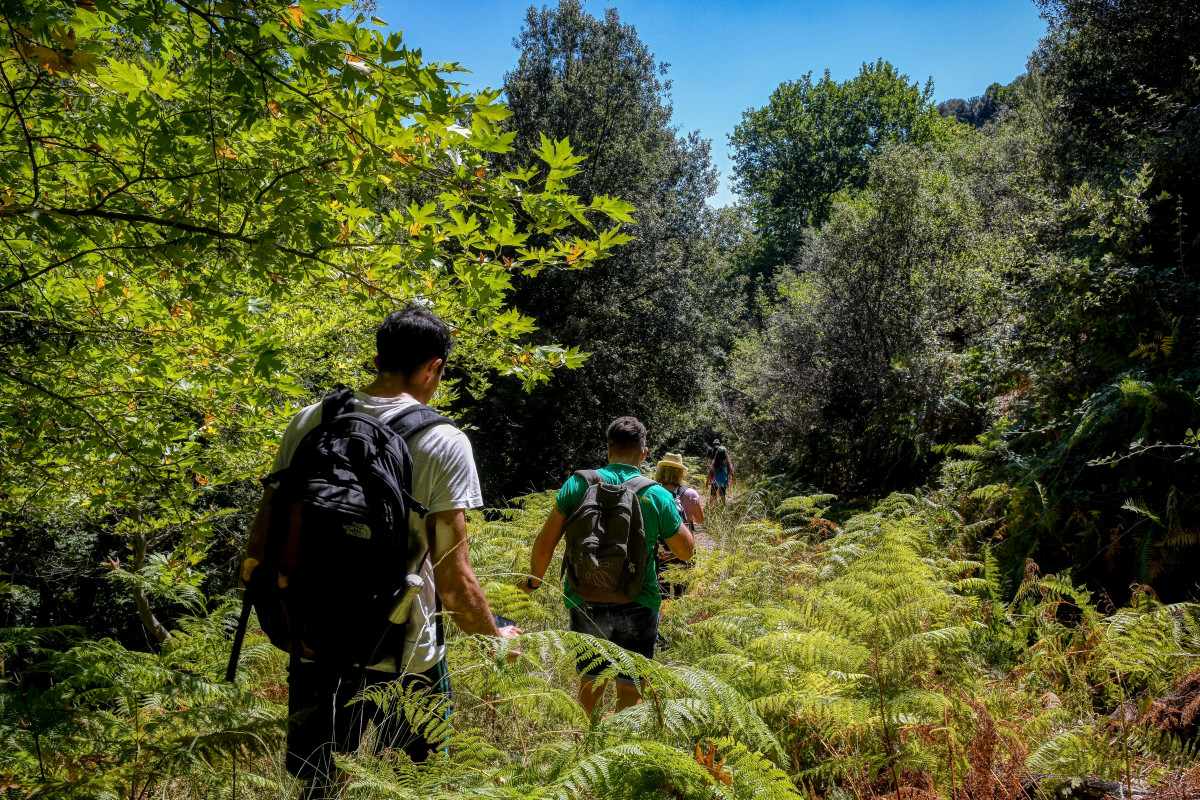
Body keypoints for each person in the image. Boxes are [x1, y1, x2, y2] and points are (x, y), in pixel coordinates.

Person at [243, 304, 519, 798]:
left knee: (319, 785)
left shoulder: (310, 421)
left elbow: (260, 542)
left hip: (314, 639)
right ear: (434, 367)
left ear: (377, 358)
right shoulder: (443, 441)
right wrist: (495, 634)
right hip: (406, 653)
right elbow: (453, 581)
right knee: (420, 785)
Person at [518, 417, 694, 716]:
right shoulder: (655, 494)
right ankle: (621, 749)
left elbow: (545, 542)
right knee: (631, 684)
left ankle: (587, 744)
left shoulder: (578, 484)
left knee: (590, 681)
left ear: (608, 449)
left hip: (584, 596)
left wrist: (534, 582)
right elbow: (686, 552)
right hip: (639, 599)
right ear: (644, 453)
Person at [654, 452, 704, 599]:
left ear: (661, 471)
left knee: (661, 594)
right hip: (683, 550)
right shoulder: (691, 494)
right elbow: (700, 520)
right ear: (681, 473)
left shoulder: (653, 493)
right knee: (682, 593)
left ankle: (663, 619)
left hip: (660, 552)